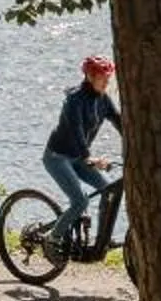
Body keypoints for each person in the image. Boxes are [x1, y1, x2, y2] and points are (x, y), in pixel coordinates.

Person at [43, 55, 124, 245]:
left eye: (108, 78)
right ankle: (52, 238)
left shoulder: (103, 100)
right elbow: (77, 131)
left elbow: (119, 122)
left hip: (78, 157)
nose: (107, 82)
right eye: (102, 78)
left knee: (109, 191)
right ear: (89, 76)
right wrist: (90, 158)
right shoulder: (74, 100)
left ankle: (102, 238)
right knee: (80, 201)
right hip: (57, 157)